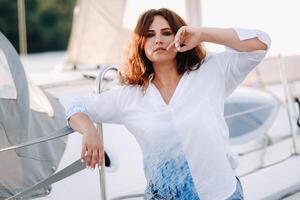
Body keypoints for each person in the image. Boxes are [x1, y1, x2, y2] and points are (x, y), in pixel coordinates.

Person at [66, 8, 270, 200]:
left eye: (166, 32)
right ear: (140, 43)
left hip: (221, 193)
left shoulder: (211, 71)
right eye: (150, 34)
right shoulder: (129, 96)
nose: (158, 40)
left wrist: (201, 34)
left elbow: (260, 44)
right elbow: (76, 106)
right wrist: (89, 130)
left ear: (180, 36)